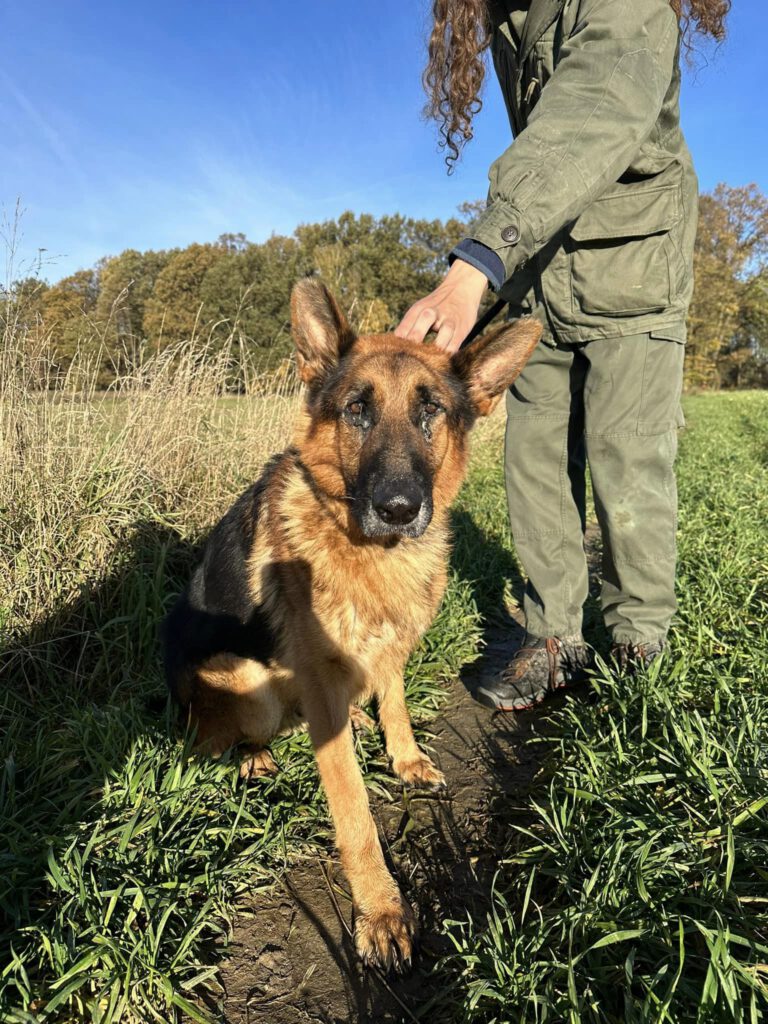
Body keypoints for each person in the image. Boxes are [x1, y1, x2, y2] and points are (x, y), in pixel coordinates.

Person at [395, 0, 729, 711]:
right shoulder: (509, 22)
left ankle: (639, 641)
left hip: (633, 267)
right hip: (541, 278)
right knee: (534, 459)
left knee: (625, 457)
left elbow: (587, 121)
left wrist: (474, 268)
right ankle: (554, 635)